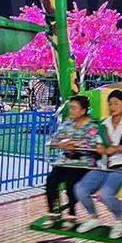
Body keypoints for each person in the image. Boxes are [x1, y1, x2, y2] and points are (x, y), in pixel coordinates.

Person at [75, 90, 122, 238]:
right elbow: (99, 144)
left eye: (116, 103)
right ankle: (93, 217)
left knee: (105, 193)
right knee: (80, 189)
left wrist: (118, 148)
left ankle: (121, 220)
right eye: (110, 103)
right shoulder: (104, 124)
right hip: (104, 164)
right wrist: (100, 148)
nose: (113, 106)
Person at [43, 95, 102, 229]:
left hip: (82, 162)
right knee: (51, 180)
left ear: (83, 110)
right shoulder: (67, 122)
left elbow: (91, 143)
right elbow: (56, 138)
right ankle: (53, 212)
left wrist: (73, 143)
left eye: (74, 108)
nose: (71, 111)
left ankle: (71, 214)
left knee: (71, 182)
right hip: (65, 161)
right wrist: (62, 143)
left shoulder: (92, 125)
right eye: (71, 108)